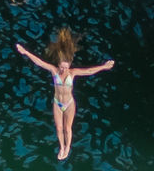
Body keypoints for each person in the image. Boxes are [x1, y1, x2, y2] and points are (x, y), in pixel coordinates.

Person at [16, 29, 114, 161]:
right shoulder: (53, 70)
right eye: (62, 67)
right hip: (57, 102)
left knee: (67, 128)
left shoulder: (72, 73)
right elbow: (39, 62)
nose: (63, 70)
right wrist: (26, 52)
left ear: (69, 66)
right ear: (58, 65)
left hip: (69, 104)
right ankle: (61, 147)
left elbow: (89, 71)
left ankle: (68, 147)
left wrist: (103, 67)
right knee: (59, 128)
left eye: (65, 67)